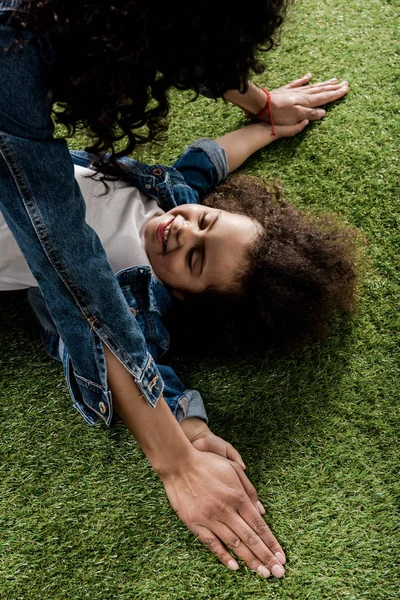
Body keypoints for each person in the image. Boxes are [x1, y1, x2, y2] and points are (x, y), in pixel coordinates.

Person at [0, 0, 350, 577]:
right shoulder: (171, 196)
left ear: (187, 297)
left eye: (194, 259)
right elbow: (208, 160)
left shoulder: (139, 297)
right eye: (204, 220)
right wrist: (261, 126)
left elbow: (115, 333)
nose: (180, 229)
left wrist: (188, 432)